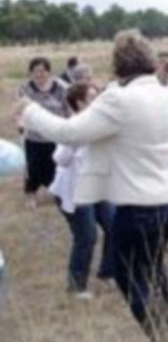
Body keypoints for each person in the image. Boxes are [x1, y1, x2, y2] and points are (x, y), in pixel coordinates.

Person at [17, 29, 168, 342]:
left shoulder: (118, 100)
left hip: (140, 204)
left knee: (129, 274)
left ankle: (164, 341)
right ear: (150, 59)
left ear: (117, 65)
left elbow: (68, 132)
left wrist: (30, 111)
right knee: (153, 265)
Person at [48, 82, 115, 300]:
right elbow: (60, 159)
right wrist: (76, 140)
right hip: (74, 192)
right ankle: (76, 286)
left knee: (115, 226)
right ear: (80, 103)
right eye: (92, 98)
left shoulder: (102, 125)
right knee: (87, 235)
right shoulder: (73, 127)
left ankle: (107, 272)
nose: (98, 102)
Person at [17, 57, 70, 208]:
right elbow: (20, 109)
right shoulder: (25, 88)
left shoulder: (62, 87)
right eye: (35, 71)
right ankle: (30, 194)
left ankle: (57, 191)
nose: (39, 74)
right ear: (30, 73)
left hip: (55, 135)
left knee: (56, 166)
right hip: (33, 137)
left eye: (43, 71)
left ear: (49, 72)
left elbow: (68, 108)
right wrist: (20, 121)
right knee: (32, 168)